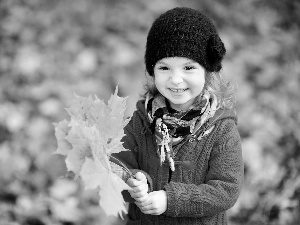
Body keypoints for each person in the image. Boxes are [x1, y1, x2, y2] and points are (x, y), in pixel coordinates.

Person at [112, 6, 244, 225]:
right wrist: (134, 181)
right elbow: (116, 165)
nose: (175, 79)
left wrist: (170, 199)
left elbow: (226, 189)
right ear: (152, 70)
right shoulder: (141, 121)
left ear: (207, 71)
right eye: (165, 68)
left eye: (188, 68)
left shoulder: (221, 129)